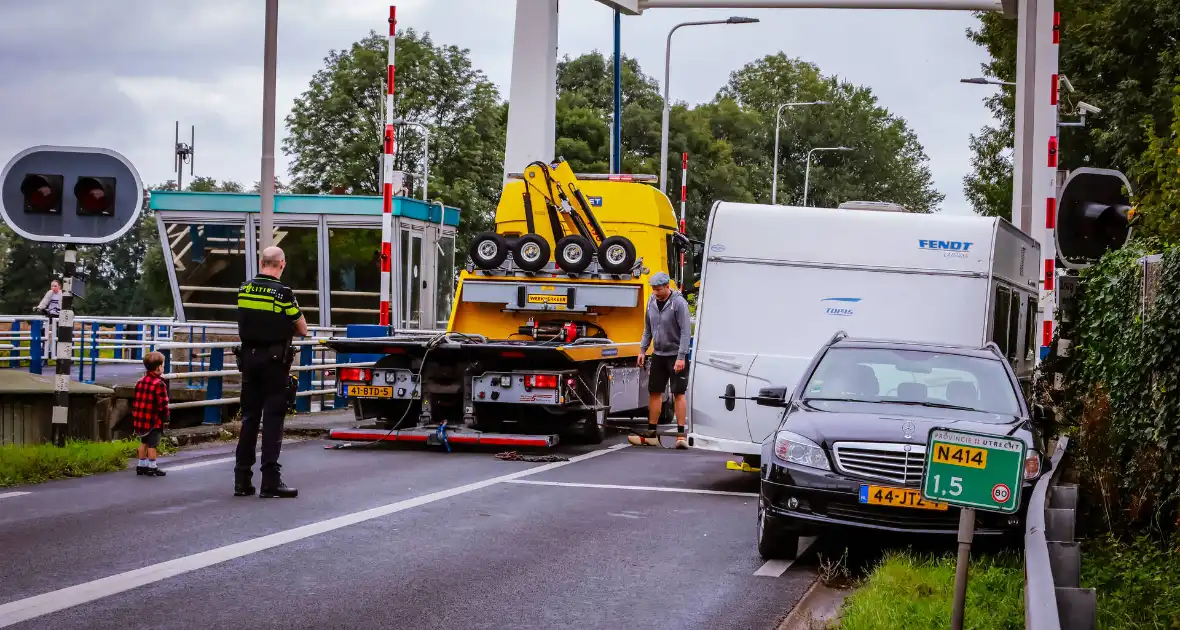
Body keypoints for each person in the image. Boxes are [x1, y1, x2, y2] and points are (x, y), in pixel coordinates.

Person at [234, 246, 308, 499]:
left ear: (260, 262)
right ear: (282, 264)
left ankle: (242, 480)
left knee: (249, 419)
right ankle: (270, 481)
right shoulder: (283, 293)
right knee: (273, 419)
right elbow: (302, 328)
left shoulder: (244, 289)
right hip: (274, 363)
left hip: (248, 360)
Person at [630, 271, 692, 449]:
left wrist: (681, 357)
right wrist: (642, 350)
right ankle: (651, 433)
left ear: (667, 286)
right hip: (658, 353)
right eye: (653, 289)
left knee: (678, 393)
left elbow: (685, 332)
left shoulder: (678, 303)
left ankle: (680, 436)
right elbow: (647, 328)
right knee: (655, 392)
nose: (655, 292)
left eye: (658, 289)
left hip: (676, 355)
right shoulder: (651, 301)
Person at [132, 351, 170, 477]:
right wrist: (166, 416)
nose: (163, 367)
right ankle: (152, 467)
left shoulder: (140, 381)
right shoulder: (159, 384)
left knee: (144, 442)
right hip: (154, 420)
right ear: (159, 367)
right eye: (163, 365)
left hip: (141, 420)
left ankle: (140, 465)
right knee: (153, 445)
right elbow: (163, 403)